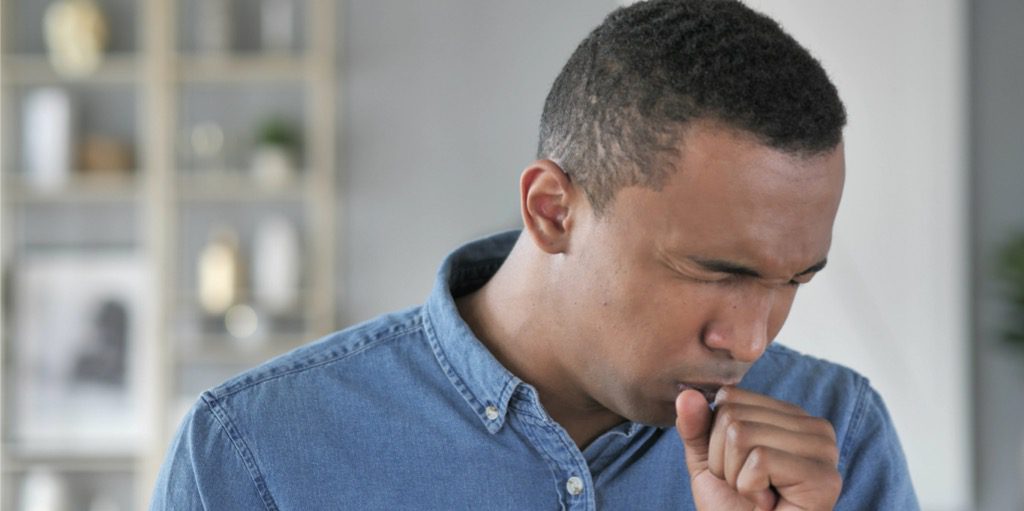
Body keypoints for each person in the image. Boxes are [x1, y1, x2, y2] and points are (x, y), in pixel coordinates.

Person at [151, 1, 918, 509]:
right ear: (553, 209)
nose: (751, 341)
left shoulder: (839, 434)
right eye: (718, 271)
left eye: (795, 280)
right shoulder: (254, 451)